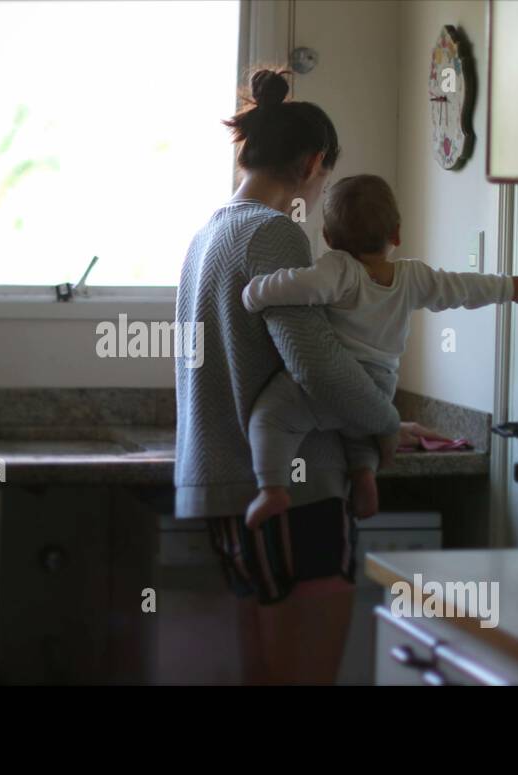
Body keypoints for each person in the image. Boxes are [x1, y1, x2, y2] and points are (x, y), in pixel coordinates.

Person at [175, 69, 398, 684]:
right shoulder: (272, 235)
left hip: (228, 491)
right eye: (325, 178)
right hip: (293, 497)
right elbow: (316, 365)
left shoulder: (208, 234)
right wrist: (385, 421)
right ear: (313, 162)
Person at [241, 174, 518, 529]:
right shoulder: (413, 277)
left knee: (269, 417)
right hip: (381, 386)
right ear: (397, 234)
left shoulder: (340, 269)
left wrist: (256, 292)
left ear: (328, 238)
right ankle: (365, 475)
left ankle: (272, 488)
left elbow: (301, 287)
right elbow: (460, 287)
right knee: (358, 431)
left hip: (336, 380)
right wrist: (509, 287)